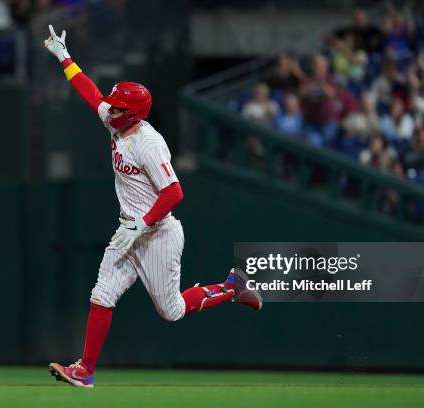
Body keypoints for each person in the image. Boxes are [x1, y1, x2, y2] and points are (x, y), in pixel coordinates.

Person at [42, 25, 262, 388]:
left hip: (158, 232)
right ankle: (85, 370)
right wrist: (65, 57)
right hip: (129, 229)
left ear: (134, 114)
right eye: (112, 105)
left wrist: (142, 223)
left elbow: (174, 192)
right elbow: (90, 93)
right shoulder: (116, 120)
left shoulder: (149, 143)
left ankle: (232, 286)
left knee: (172, 311)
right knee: (102, 294)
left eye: (118, 107)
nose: (109, 108)